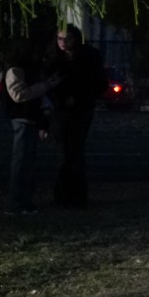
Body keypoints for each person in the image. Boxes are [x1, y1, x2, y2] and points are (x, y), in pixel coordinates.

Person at [49, 24, 107, 207]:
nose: (63, 43)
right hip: (61, 109)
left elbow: (98, 84)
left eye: (67, 39)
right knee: (65, 152)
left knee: (74, 151)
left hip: (80, 109)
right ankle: (65, 195)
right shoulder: (54, 59)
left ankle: (75, 195)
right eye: (60, 39)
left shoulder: (89, 57)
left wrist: (79, 97)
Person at [2, 40, 57, 215]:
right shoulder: (16, 69)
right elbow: (19, 95)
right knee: (22, 162)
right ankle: (18, 203)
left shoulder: (25, 69)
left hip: (28, 117)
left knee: (25, 162)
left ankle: (23, 201)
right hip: (23, 117)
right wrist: (46, 86)